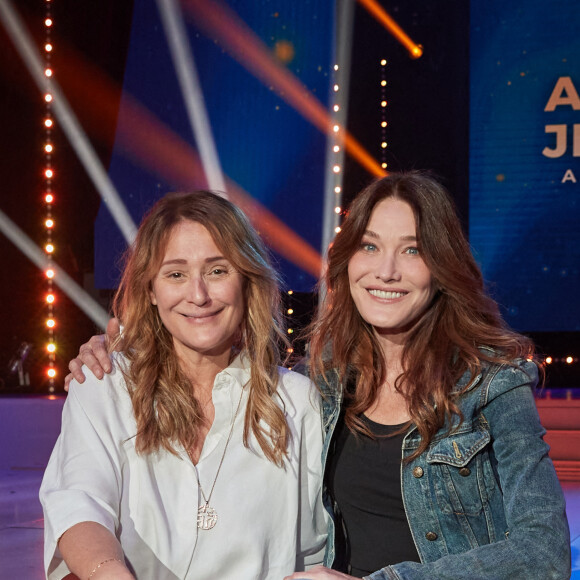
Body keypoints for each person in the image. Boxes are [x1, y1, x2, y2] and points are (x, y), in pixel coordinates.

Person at [67, 173, 571, 579]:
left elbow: (545, 550)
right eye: (370, 247)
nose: (387, 270)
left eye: (413, 250)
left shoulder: (492, 385)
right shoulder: (323, 389)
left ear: (442, 267)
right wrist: (117, 351)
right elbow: (78, 504)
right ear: (347, 261)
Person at [40, 191, 327, 580]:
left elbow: (314, 548)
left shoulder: (296, 400)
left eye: (217, 271)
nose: (198, 295)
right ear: (151, 291)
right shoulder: (104, 385)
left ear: (246, 281)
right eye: (176, 274)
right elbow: (79, 503)